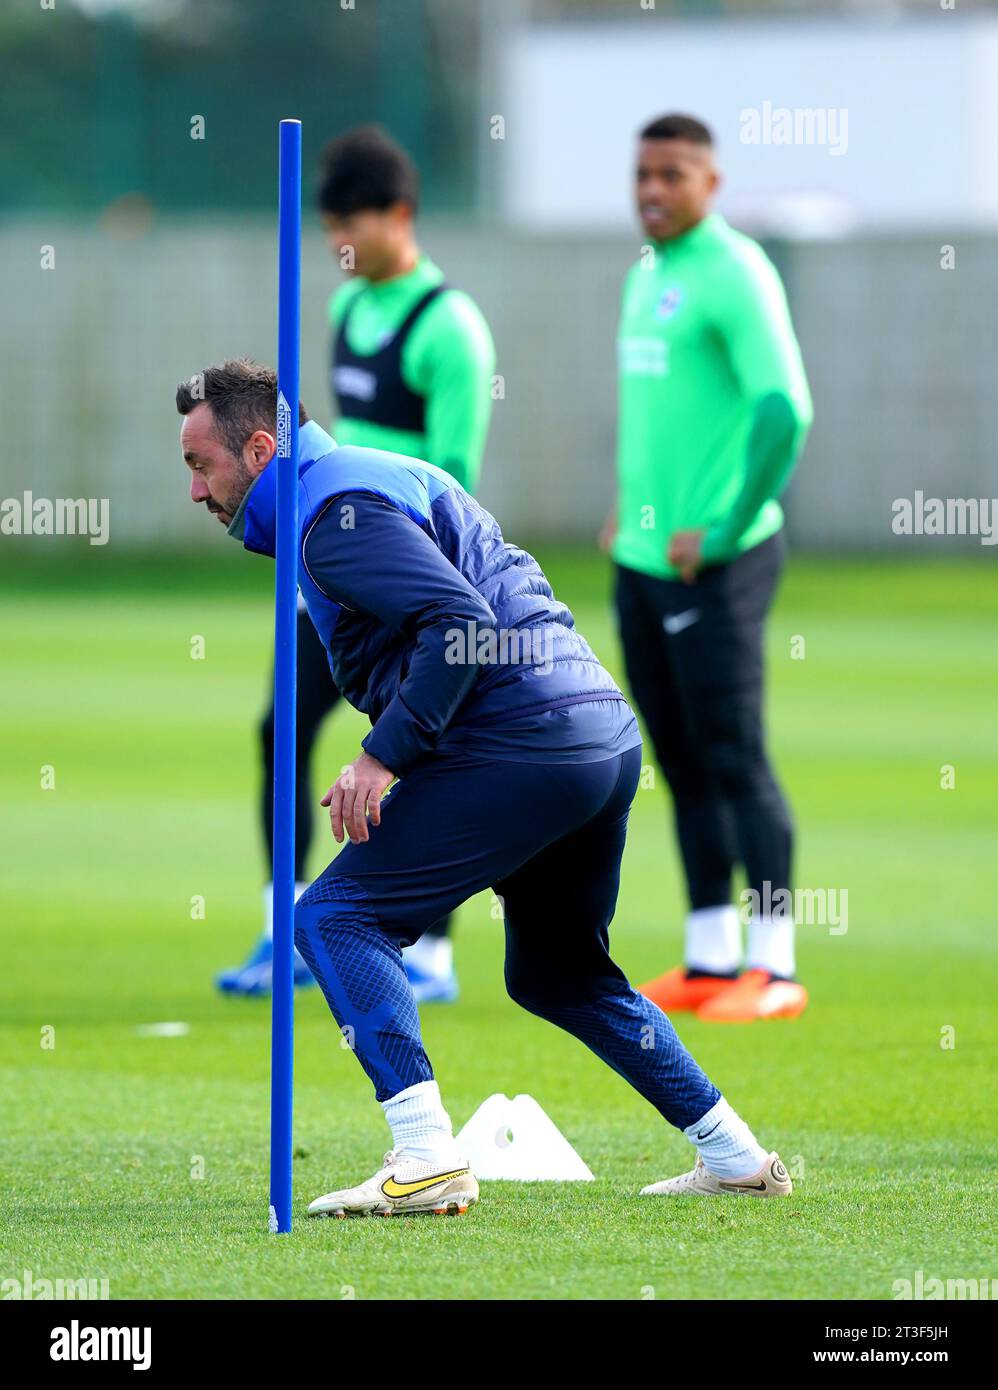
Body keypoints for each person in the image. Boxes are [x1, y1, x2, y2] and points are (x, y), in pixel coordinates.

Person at [178, 358, 793, 1214]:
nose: (196, 492)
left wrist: (382, 755)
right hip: (596, 735)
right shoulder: (368, 480)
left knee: (332, 914)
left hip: (524, 739)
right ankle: (733, 1153)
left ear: (259, 447)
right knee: (557, 972)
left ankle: (426, 1157)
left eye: (200, 466)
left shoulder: (333, 514)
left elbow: (459, 622)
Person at [217, 126, 495, 1002]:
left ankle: (433, 956)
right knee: (282, 733)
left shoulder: (448, 326)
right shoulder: (346, 309)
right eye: (327, 223)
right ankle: (281, 928)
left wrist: (390, 559)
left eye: (352, 224)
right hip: (329, 562)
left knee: (427, 744)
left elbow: (454, 471)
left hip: (403, 568)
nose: (337, 243)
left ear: (400, 216)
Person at [601, 114, 813, 1024]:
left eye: (674, 175)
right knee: (680, 759)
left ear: (712, 183)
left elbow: (785, 409)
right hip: (641, 561)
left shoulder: (735, 272)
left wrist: (723, 528)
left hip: (717, 565)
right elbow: (659, 417)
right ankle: (710, 954)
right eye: (643, 173)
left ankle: (775, 964)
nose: (653, 189)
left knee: (736, 756)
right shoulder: (646, 275)